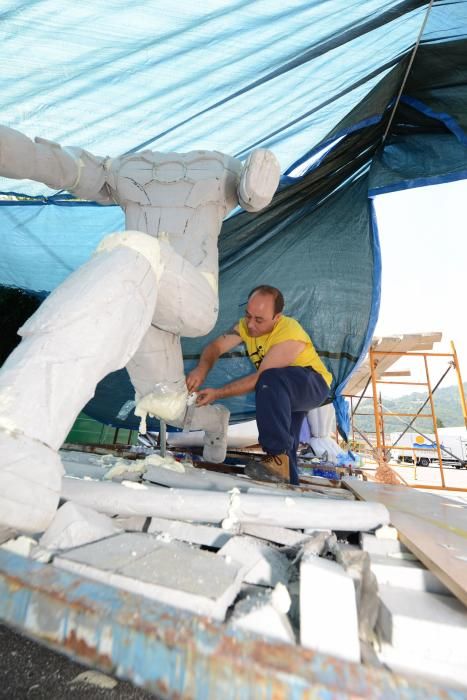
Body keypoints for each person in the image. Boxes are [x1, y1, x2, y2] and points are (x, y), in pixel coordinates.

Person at [0, 125, 280, 532]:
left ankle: (17, 434)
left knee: (131, 247)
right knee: (165, 402)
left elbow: (255, 194)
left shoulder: (221, 171)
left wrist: (261, 172)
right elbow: (52, 162)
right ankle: (214, 422)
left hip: (191, 294)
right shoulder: (126, 171)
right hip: (144, 298)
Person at [186, 285, 332, 484]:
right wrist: (201, 370)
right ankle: (289, 487)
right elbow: (215, 347)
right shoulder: (245, 326)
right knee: (286, 453)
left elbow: (260, 379)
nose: (251, 325)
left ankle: (276, 456)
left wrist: (218, 393)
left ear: (277, 317)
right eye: (248, 316)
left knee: (269, 381)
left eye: (259, 320)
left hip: (313, 383)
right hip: (286, 390)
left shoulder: (289, 332)